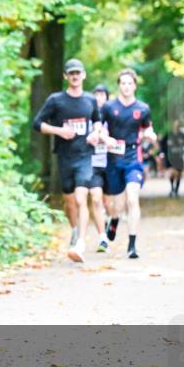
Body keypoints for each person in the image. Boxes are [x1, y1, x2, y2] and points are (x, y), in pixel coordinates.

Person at [32, 59, 104, 263]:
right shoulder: (56, 100)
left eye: (78, 73)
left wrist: (96, 133)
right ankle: (74, 230)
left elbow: (97, 120)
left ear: (84, 75)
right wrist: (59, 131)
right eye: (71, 73)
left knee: (82, 198)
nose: (74, 76)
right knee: (69, 201)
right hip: (64, 157)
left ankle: (80, 243)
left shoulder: (90, 100)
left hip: (85, 156)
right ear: (65, 76)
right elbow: (37, 124)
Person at [101, 69, 155, 258]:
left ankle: (132, 246)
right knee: (118, 205)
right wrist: (104, 138)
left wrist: (150, 135)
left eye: (129, 83)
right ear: (118, 85)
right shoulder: (108, 107)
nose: (126, 87)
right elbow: (99, 128)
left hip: (134, 157)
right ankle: (114, 220)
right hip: (114, 158)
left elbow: (149, 128)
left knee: (132, 198)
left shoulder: (142, 108)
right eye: (122, 83)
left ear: (135, 86)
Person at [87, 83, 111, 252]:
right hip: (93, 162)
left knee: (109, 203)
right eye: (96, 94)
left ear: (107, 98)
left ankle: (110, 219)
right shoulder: (87, 116)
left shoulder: (114, 116)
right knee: (96, 198)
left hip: (111, 162)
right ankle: (103, 238)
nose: (99, 98)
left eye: (102, 95)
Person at [164, 121, 184, 198]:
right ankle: (172, 189)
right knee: (171, 173)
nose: (177, 126)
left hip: (179, 157)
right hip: (170, 157)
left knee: (179, 174)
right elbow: (162, 144)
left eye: (178, 125)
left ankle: (176, 190)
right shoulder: (168, 135)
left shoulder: (182, 135)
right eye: (175, 125)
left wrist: (183, 143)